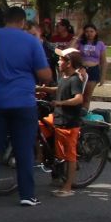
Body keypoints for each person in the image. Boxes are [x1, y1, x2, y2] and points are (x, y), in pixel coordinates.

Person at [0, 6, 54, 207]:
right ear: (22, 22)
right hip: (23, 102)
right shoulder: (31, 41)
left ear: (5, 19)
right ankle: (27, 195)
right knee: (24, 150)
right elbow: (45, 75)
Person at [38, 48, 86, 198]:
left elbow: (79, 98)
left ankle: (68, 187)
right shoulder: (64, 77)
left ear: (69, 63)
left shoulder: (75, 79)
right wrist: (42, 89)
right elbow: (59, 89)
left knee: (69, 156)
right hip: (57, 118)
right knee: (39, 127)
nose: (58, 62)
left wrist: (61, 102)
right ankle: (44, 158)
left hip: (68, 122)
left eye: (61, 60)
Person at [76, 23, 108, 110]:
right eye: (87, 31)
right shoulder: (80, 43)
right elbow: (68, 49)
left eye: (91, 31)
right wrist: (77, 36)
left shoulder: (100, 44)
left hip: (93, 70)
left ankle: (84, 113)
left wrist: (103, 77)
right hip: (81, 70)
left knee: (87, 96)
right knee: (78, 95)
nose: (89, 33)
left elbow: (104, 62)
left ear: (95, 32)